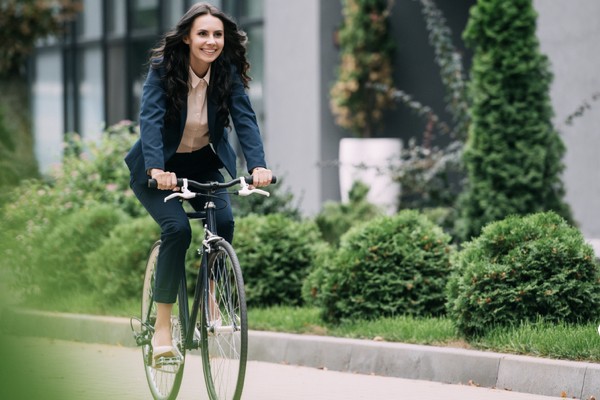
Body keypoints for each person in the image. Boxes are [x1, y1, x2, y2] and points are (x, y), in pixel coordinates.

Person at [124, 2, 272, 360]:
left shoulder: (227, 72)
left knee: (224, 221)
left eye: (217, 34)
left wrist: (258, 166)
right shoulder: (163, 70)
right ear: (188, 38)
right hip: (159, 171)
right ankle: (162, 330)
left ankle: (210, 293)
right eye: (203, 33)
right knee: (178, 231)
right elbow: (152, 120)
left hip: (203, 165)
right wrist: (157, 170)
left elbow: (245, 119)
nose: (211, 41)